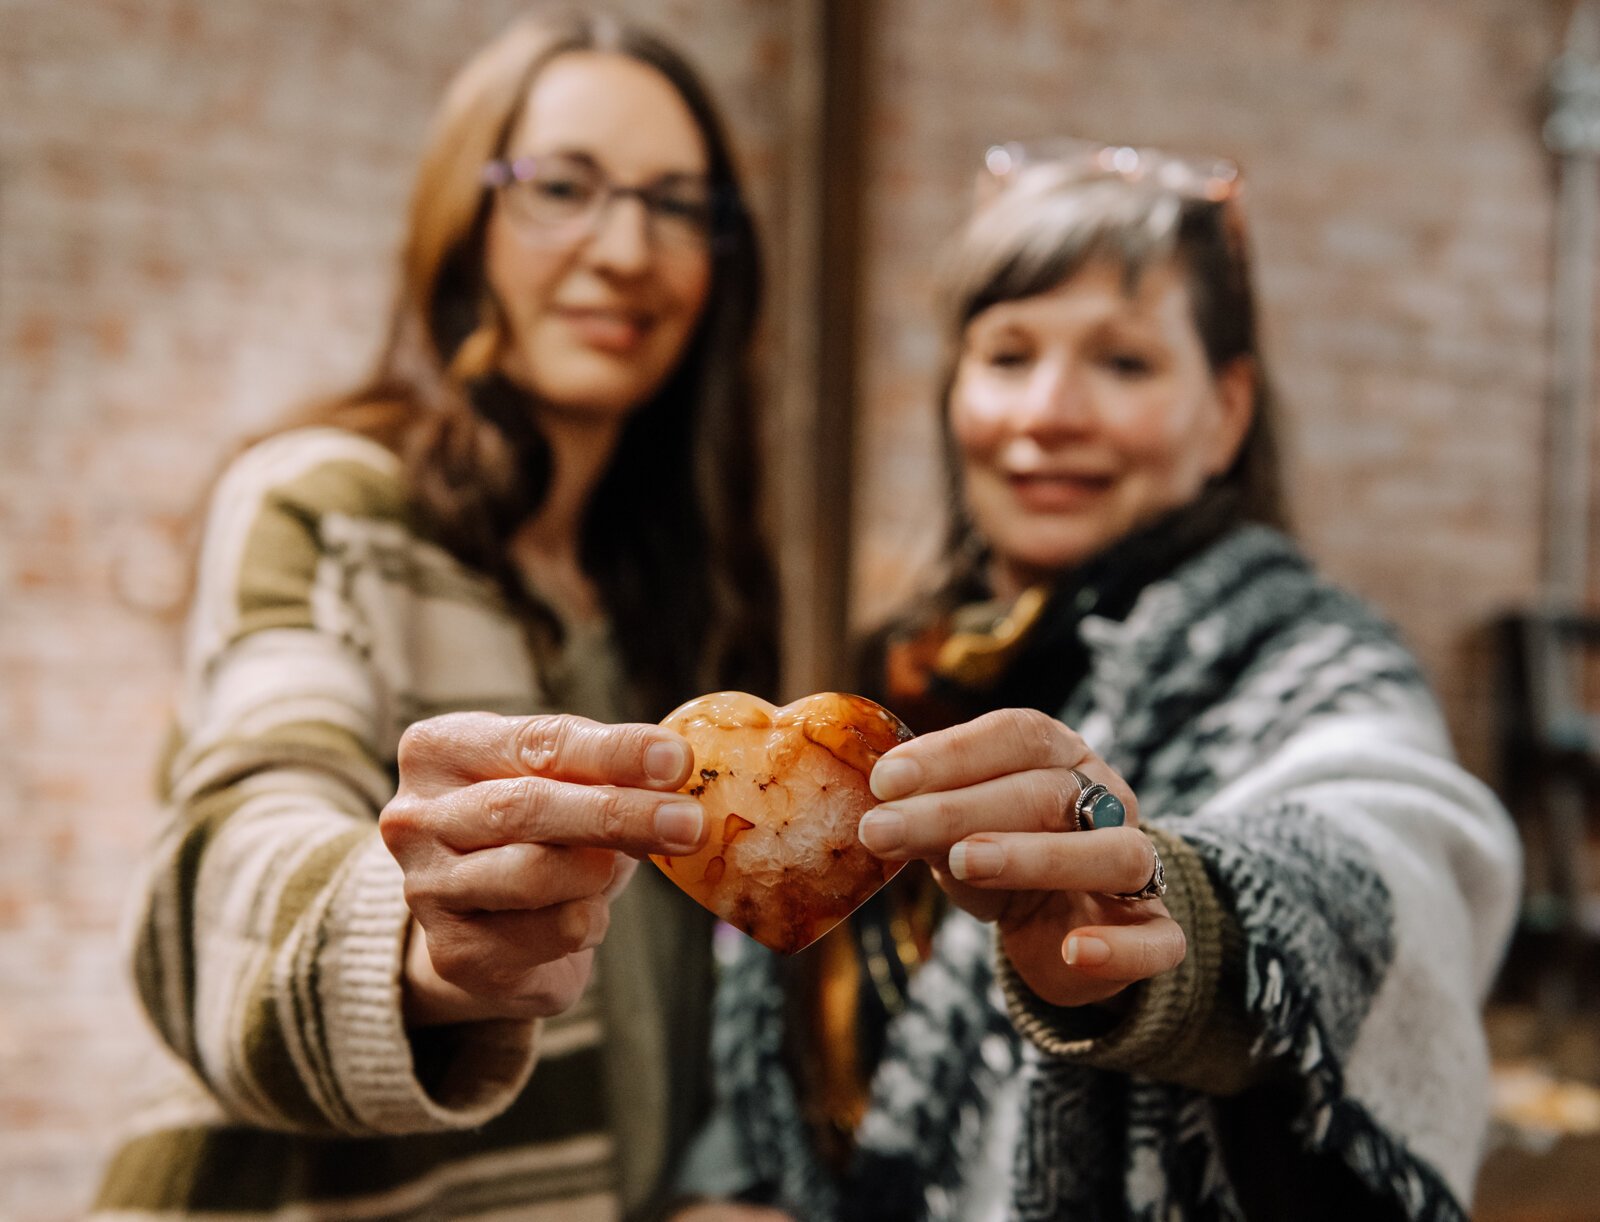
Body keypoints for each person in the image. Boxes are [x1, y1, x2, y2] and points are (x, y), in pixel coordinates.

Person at [680, 140, 1519, 1221]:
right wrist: (724, 1186)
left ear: (1226, 410)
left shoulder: (1310, 659)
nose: (1047, 413)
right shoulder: (888, 680)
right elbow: (769, 971)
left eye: (1123, 363)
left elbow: (1390, 853)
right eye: (1007, 354)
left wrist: (1166, 901)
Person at [91, 11, 781, 1220]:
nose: (627, 248)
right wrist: (414, 946)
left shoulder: (691, 593)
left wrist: (702, 1184)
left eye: (678, 204)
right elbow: (229, 856)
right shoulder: (327, 502)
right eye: (563, 186)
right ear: (465, 221)